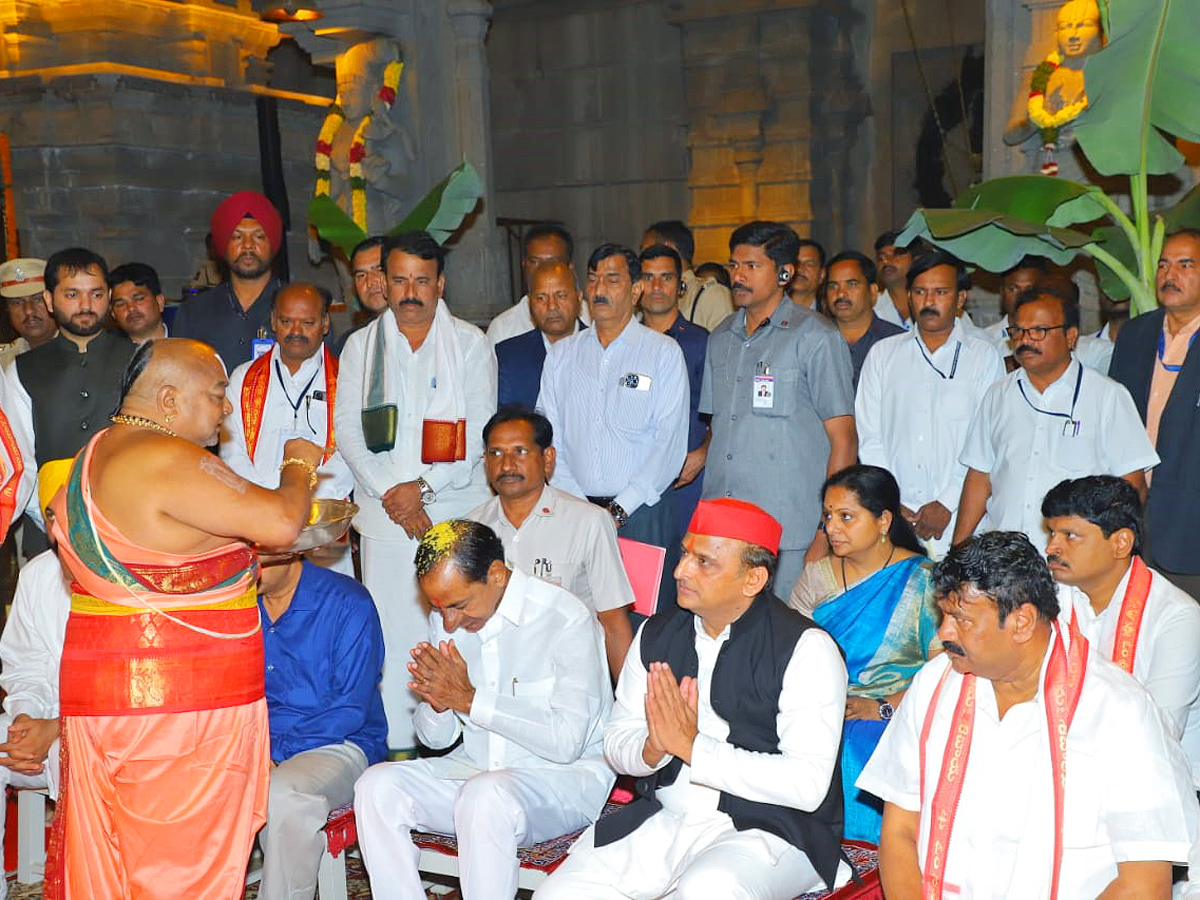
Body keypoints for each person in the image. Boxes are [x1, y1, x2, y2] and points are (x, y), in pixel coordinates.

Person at [45, 337, 323, 899]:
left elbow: (165, 562)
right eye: (218, 393)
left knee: (121, 868)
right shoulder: (166, 456)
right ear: (168, 399)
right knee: (180, 874)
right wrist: (299, 461)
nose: (226, 408)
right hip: (177, 711)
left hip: (110, 701)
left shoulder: (94, 452)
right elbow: (282, 522)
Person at [536, 498, 852, 899]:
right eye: (685, 553)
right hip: (671, 816)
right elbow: (617, 743)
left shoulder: (806, 649)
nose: (681, 569)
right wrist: (651, 748)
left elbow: (806, 785)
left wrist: (691, 746)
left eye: (704, 561)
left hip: (774, 829)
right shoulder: (656, 633)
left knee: (708, 888)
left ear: (752, 580)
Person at [858, 531, 1196, 898]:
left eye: (962, 620)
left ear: (1021, 622)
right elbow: (900, 830)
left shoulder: (1117, 709)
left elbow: (1144, 883)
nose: (944, 632)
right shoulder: (933, 685)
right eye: (943, 615)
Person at [353, 519, 614, 900]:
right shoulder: (448, 619)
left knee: (485, 796)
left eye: (458, 605)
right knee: (376, 786)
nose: (449, 622)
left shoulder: (564, 619)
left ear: (496, 574)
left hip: (559, 783)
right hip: (473, 769)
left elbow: (565, 743)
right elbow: (438, 739)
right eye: (437, 608)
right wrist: (439, 705)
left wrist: (471, 700)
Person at [335, 230, 496, 752]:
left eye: (421, 280)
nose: (410, 292)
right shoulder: (361, 346)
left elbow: (479, 434)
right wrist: (396, 496)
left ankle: (465, 749)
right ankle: (404, 752)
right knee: (399, 639)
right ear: (384, 281)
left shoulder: (471, 344)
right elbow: (349, 435)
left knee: (459, 635)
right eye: (399, 279)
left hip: (452, 512)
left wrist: (420, 489)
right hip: (386, 522)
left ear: (440, 283)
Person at [701, 221, 857, 598]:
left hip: (789, 536)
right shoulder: (721, 337)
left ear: (785, 273)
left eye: (751, 266)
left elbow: (844, 441)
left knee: (787, 644)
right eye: (734, 266)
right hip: (725, 526)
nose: (738, 276)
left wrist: (825, 532)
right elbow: (719, 427)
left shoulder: (817, 338)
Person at [789, 466, 937, 843]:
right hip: (824, 705)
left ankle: (871, 855)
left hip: (898, 710)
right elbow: (791, 658)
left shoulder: (924, 581)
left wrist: (884, 706)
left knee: (859, 740)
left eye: (846, 517)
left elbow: (945, 672)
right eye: (827, 516)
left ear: (884, 520)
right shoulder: (816, 577)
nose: (831, 528)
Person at [538, 243, 688, 608]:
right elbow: (548, 435)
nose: (599, 288)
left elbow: (668, 444)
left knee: (642, 625)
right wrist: (581, 506)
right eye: (593, 279)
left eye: (612, 278)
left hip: (641, 515)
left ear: (636, 290)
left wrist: (620, 509)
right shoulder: (562, 355)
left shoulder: (662, 353)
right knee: (578, 619)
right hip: (575, 512)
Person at [953, 283, 1158, 548]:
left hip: (1077, 563)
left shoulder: (1107, 396)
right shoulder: (998, 395)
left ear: (1071, 336)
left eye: (1039, 331)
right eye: (1018, 331)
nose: (1025, 340)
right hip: (1005, 560)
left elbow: (1133, 488)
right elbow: (979, 476)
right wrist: (958, 547)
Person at [1043, 475, 1200, 784]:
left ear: (1121, 543)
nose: (1051, 547)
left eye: (1070, 535)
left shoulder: (1176, 618)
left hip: (1159, 788)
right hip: (1068, 774)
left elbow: (1157, 736)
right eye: (1051, 533)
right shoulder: (1049, 597)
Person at [256, 552, 387, 900]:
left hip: (338, 743)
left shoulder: (347, 601)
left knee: (282, 794)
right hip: (258, 743)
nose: (242, 564)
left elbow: (349, 709)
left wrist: (272, 752)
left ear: (287, 547)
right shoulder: (237, 604)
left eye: (252, 553)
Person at [857, 251, 1004, 558]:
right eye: (920, 292)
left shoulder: (983, 356)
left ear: (960, 298)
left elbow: (986, 440)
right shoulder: (883, 354)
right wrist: (892, 501)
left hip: (963, 518)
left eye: (940, 292)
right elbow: (870, 436)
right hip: (896, 519)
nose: (929, 301)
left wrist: (947, 503)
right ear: (910, 296)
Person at [470, 406, 635, 677]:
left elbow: (614, 623)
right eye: (495, 453)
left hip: (571, 683)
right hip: (493, 685)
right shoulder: (471, 529)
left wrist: (631, 710)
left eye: (520, 451)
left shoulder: (589, 522)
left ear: (548, 458)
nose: (507, 465)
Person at [221, 282, 354, 571]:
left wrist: (306, 509)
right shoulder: (244, 378)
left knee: (328, 607)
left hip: (324, 526)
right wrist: (271, 505)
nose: (296, 331)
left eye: (307, 322)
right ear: (272, 322)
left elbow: (349, 452)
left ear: (325, 323)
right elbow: (232, 452)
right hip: (259, 524)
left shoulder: (347, 378)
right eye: (286, 321)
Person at [1109, 228, 1200, 596]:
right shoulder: (1135, 334)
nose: (1169, 275)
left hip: (1191, 520)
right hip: (1133, 515)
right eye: (1163, 265)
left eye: (1184, 265)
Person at [0, 465, 73, 900]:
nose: (58, 524)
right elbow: (24, 664)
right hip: (43, 723)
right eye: (50, 515)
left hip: (103, 732)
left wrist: (56, 729)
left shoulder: (129, 571)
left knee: (78, 755)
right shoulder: (38, 574)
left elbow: (127, 691)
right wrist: (25, 719)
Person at [638, 243, 709, 543]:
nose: (656, 287)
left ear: (680, 286)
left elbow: (721, 412)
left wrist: (704, 452)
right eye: (648, 277)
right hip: (636, 478)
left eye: (665, 277)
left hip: (687, 478)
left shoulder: (701, 342)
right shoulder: (625, 344)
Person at [172, 191, 283, 369]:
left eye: (259, 236)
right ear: (223, 246)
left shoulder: (301, 309)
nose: (248, 245)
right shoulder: (194, 312)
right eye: (237, 237)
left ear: (273, 244)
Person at [495, 260, 584, 408]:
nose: (552, 306)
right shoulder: (507, 357)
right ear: (529, 303)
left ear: (579, 297)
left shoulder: (601, 349)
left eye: (561, 296)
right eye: (541, 298)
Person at [487, 223, 587, 346]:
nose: (543, 269)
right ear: (524, 266)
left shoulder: (594, 319)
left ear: (570, 268)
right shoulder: (503, 329)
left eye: (553, 262)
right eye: (535, 262)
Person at [823, 250, 904, 388]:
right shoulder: (814, 339)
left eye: (852, 284)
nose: (841, 293)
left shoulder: (897, 342)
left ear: (872, 291)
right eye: (833, 286)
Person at [641, 219, 734, 332]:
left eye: (647, 249)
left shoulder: (712, 295)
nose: (642, 256)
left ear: (669, 249)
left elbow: (723, 347)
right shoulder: (643, 297)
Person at [982, 255, 1047, 362]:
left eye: (1029, 289)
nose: (1021, 296)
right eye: (1013, 289)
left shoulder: (1056, 339)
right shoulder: (985, 340)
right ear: (1002, 292)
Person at [335, 235, 387, 354]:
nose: (370, 282)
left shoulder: (428, 329)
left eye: (379, 270)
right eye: (361, 275)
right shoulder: (349, 344)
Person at [0, 257, 55, 368]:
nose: (29, 311)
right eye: (17, 302)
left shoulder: (83, 354)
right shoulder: (4, 361)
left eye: (38, 299)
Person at [109, 262, 168, 345]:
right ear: (113, 314)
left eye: (139, 299)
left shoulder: (189, 347)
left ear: (160, 302)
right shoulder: (107, 356)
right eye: (121, 304)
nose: (131, 308)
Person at [872, 230, 915, 330]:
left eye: (897, 254)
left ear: (915, 259)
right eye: (881, 257)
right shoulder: (870, 306)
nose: (886, 261)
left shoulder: (933, 300)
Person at [788, 238, 827, 312]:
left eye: (809, 264)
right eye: (795, 263)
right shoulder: (768, 312)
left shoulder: (831, 316)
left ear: (822, 274)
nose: (799, 269)